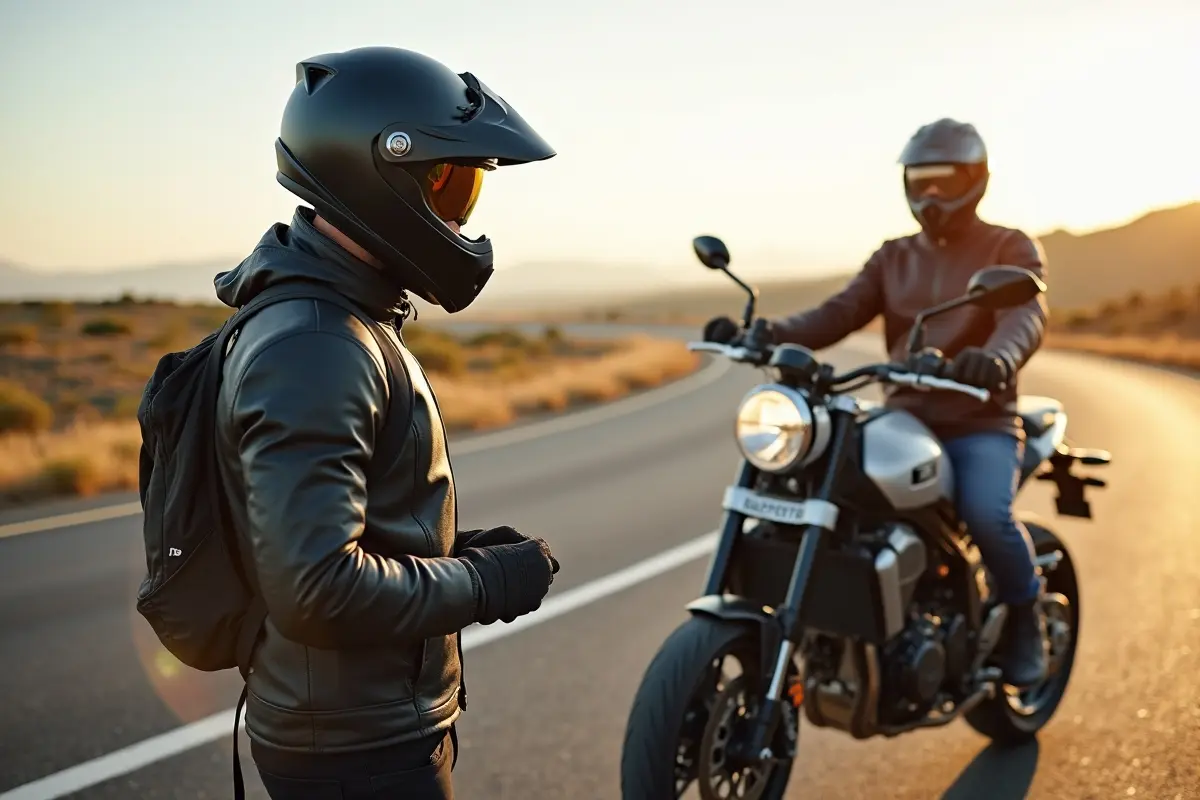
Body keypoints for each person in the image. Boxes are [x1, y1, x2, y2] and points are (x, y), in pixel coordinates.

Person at [211, 46, 560, 799]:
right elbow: (317, 588)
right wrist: (484, 581)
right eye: (448, 185)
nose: (459, 214)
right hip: (355, 750)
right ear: (379, 172)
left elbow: (333, 536)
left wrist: (449, 549)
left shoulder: (338, 320)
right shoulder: (317, 344)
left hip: (360, 727)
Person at [703, 117, 1050, 689]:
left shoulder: (1008, 248)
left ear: (976, 180)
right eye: (920, 181)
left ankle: (1023, 619)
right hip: (906, 420)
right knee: (825, 487)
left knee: (987, 514)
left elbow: (1025, 316)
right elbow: (837, 313)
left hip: (978, 422)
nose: (931, 194)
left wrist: (996, 358)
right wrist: (765, 333)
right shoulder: (894, 257)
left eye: (944, 180)